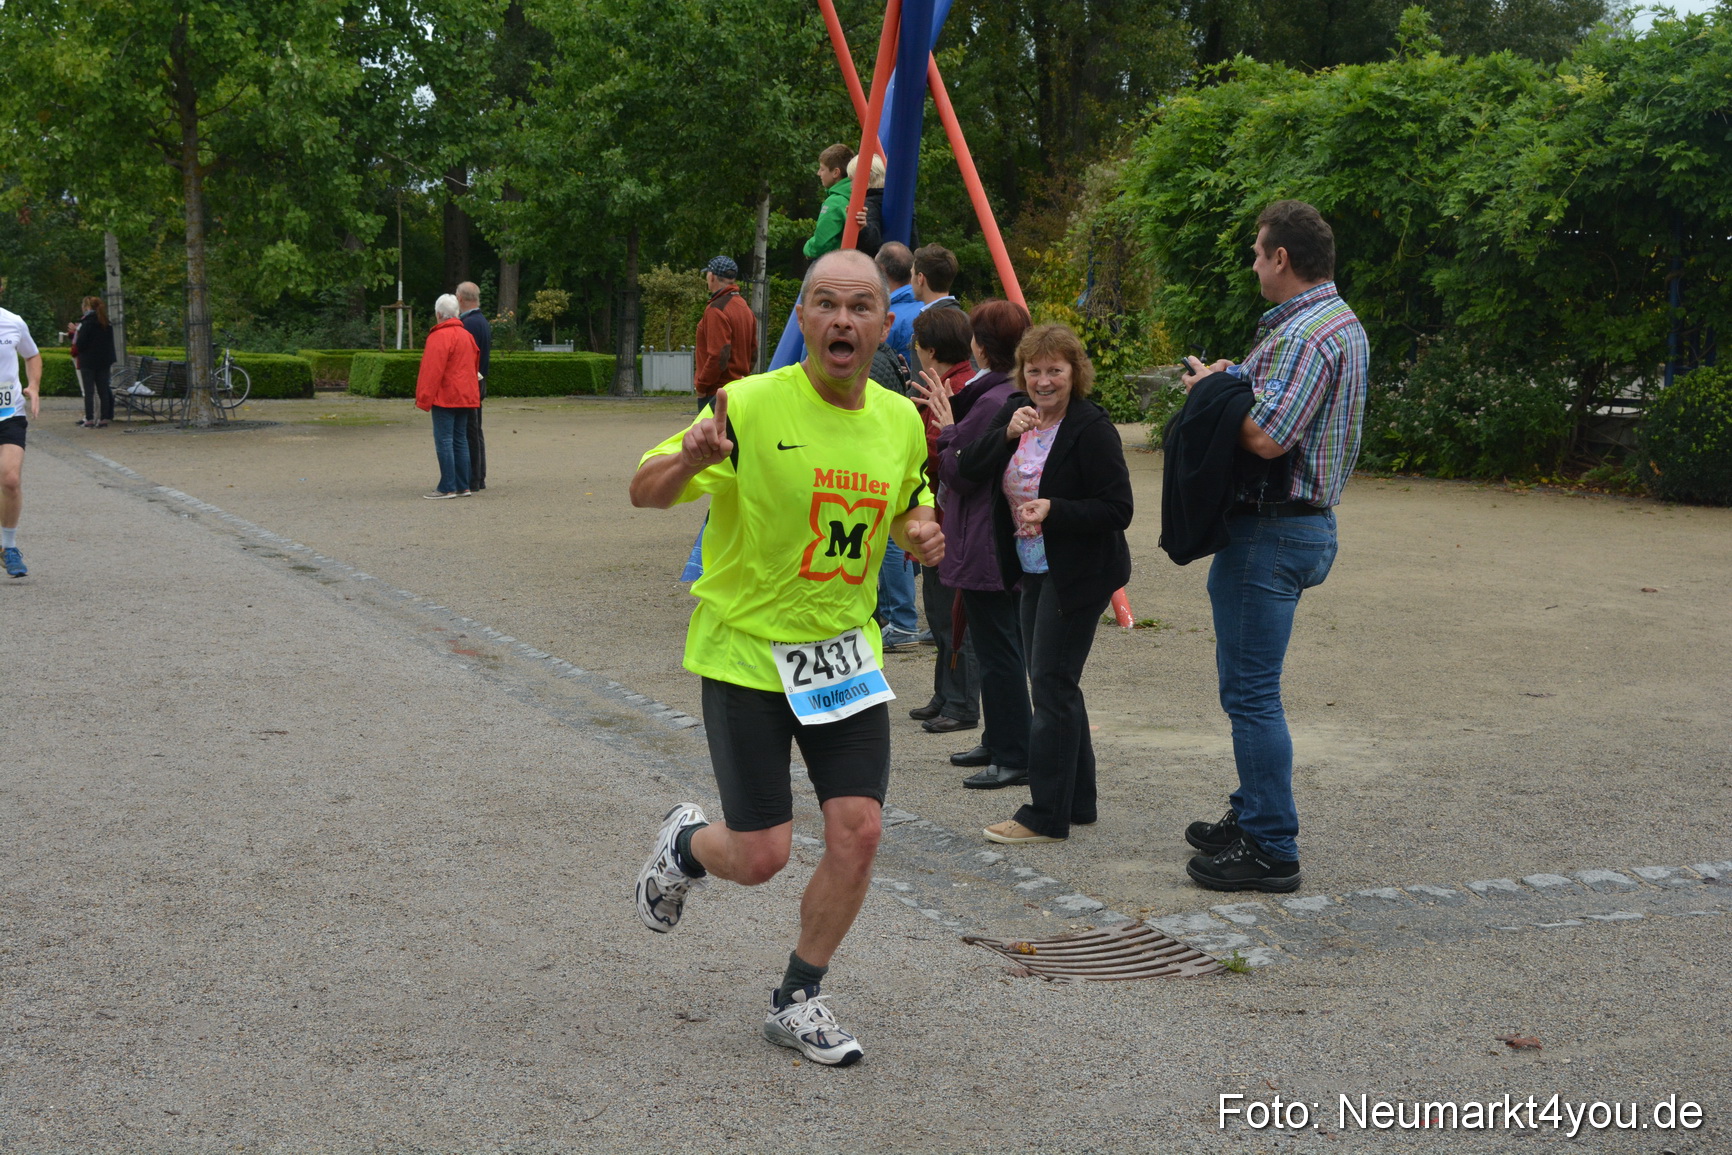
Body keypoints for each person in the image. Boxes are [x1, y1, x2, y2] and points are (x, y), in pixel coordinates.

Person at [628, 248, 944, 1067]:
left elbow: (910, 505)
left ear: (885, 323)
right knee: (761, 854)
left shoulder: (900, 419)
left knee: (860, 831)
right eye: (826, 304)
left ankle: (799, 995)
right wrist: (692, 458)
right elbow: (645, 490)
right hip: (749, 656)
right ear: (802, 318)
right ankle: (688, 843)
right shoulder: (749, 404)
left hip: (843, 655)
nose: (844, 319)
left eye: (862, 306)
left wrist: (923, 532)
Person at [1177, 199, 1368, 892]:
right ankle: (1253, 808)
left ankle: (1270, 844)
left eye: (1258, 253)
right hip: (1304, 522)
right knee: (1251, 689)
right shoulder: (1335, 322)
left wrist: (1212, 391)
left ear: (1281, 258)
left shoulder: (1303, 335)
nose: (1255, 264)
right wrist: (1234, 382)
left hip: (1271, 528)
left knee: (1252, 693)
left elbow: (1265, 436)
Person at [956, 325, 1132, 844]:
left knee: (1051, 686)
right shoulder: (1020, 418)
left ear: (1075, 373)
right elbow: (968, 469)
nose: (1044, 380)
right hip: (1032, 569)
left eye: (1055, 369)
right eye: (1034, 370)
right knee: (1055, 683)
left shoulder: (1091, 427)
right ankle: (1078, 802)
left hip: (1077, 574)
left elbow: (1118, 508)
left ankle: (1045, 814)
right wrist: (1004, 433)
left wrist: (1055, 510)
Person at [922, 299, 1031, 771]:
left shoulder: (993, 399)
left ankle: (1013, 752)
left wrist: (947, 430)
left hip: (987, 537)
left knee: (999, 650)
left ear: (981, 347)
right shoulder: (1002, 392)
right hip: (994, 536)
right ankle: (998, 737)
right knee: (993, 648)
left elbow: (960, 470)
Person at [906, 305, 981, 733]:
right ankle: (946, 692)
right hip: (949, 514)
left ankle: (960, 702)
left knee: (950, 611)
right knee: (939, 609)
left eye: (918, 346)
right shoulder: (961, 381)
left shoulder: (950, 389)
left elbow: (938, 452)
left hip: (949, 517)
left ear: (930, 350)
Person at [415, 293, 480, 499]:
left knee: (444, 440)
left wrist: (423, 398)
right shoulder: (467, 336)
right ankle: (463, 485)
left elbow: (431, 371)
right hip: (465, 395)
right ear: (456, 313)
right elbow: (474, 366)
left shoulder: (438, 336)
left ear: (439, 314)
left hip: (445, 396)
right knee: (460, 439)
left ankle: (447, 486)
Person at [0, 291, 42, 578]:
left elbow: (33, 355)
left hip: (8, 411)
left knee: (10, 479)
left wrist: (34, 387)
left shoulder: (12, 322)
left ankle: (9, 547)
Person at [693, 256, 757, 401]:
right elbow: (753, 353)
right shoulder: (744, 307)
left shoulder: (716, 310)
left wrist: (702, 386)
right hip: (740, 390)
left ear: (712, 276)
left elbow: (718, 355)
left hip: (716, 392)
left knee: (714, 425)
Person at [455, 282, 491, 491]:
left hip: (471, 382)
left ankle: (474, 478)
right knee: (475, 430)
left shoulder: (468, 324)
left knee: (470, 431)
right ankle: (479, 476)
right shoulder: (481, 321)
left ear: (460, 298)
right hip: (479, 379)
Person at [908, 244, 961, 377]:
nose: (910, 282)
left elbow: (919, 389)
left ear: (920, 278)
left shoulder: (928, 325)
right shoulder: (964, 319)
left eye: (912, 275)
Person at [801, 144, 856, 262]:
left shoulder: (835, 201)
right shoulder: (855, 195)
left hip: (832, 263)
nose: (818, 173)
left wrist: (807, 248)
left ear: (836, 173)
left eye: (822, 169)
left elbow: (821, 243)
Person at [71, 296, 115, 428]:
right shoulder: (106, 323)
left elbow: (81, 343)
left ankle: (89, 418)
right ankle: (104, 418)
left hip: (88, 360)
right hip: (104, 360)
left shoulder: (87, 323)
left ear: (87, 307)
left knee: (89, 391)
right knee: (103, 389)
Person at [845, 153, 886, 258]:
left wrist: (863, 228)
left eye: (852, 180)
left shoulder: (868, 204)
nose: (850, 186)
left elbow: (873, 241)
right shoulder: (889, 200)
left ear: (866, 179)